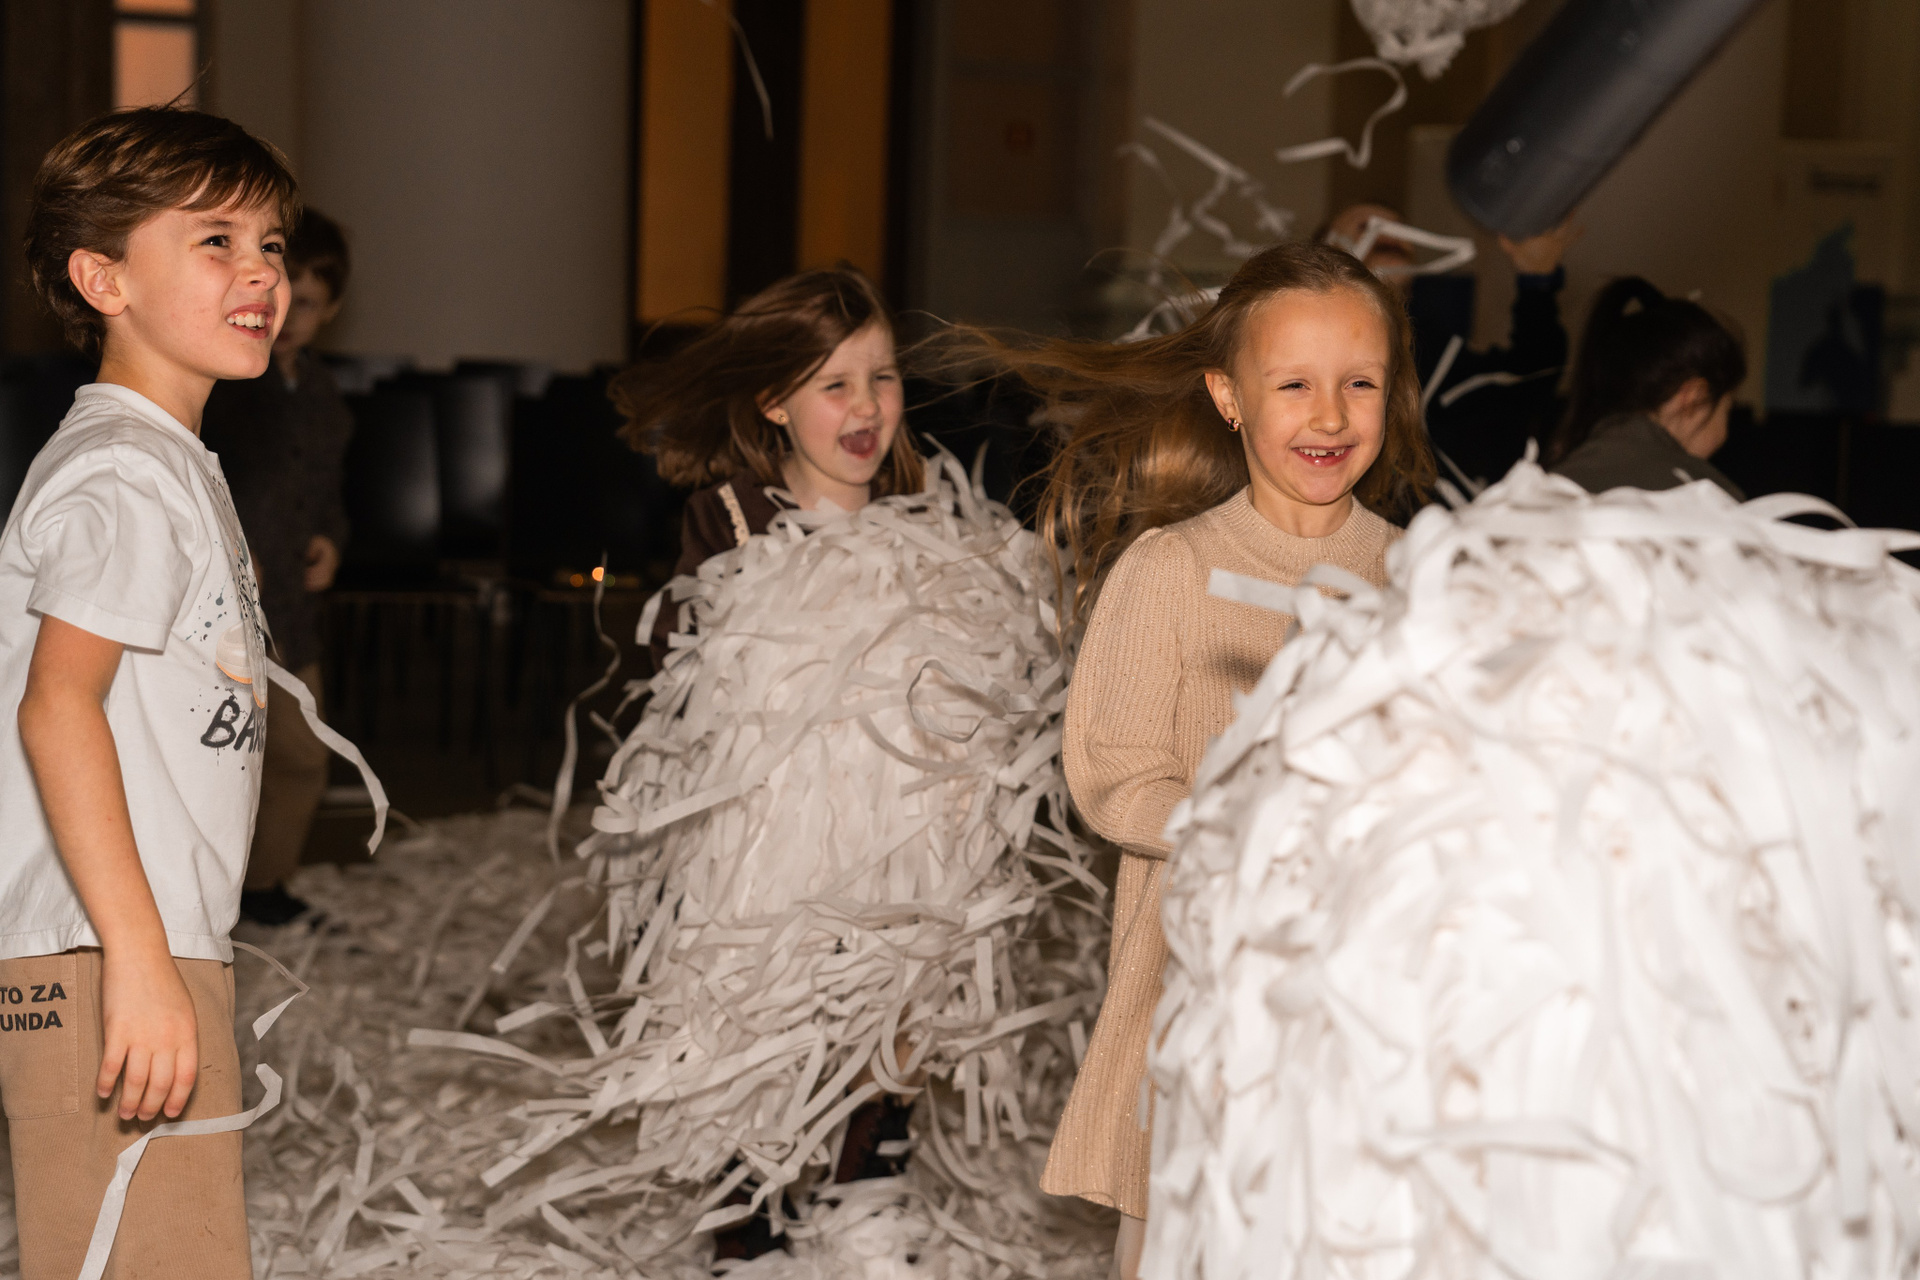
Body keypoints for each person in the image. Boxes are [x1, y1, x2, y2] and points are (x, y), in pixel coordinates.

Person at [945, 240, 1434, 1279]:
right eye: (1293, 385)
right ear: (1227, 398)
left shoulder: (1418, 574)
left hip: (1364, 972)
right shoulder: (1172, 568)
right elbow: (1114, 770)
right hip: (1202, 969)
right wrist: (1243, 828)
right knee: (1186, 1222)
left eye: (1360, 383)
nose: (1331, 415)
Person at [0, 107, 293, 1280]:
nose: (260, 271)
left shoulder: (161, 459)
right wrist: (136, 954)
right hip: (104, 946)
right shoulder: (124, 471)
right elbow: (56, 704)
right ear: (103, 278)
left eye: (271, 244)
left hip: (136, 938)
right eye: (215, 240)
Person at [618, 268, 924, 673]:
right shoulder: (728, 519)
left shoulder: (923, 517)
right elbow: (677, 656)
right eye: (836, 385)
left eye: (882, 377)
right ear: (775, 403)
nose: (868, 405)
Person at [200, 208, 353, 927]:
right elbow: (202, 477)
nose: (288, 316)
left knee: (301, 754)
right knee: (231, 756)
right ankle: (216, 892)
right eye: (281, 293)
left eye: (310, 304)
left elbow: (328, 493)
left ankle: (262, 884)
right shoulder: (228, 384)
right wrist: (234, 548)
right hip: (227, 611)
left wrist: (331, 538)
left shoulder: (323, 396)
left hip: (291, 609)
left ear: (333, 310)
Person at [1323, 201, 1579, 485]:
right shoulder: (1303, 352)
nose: (1390, 235)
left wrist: (1536, 281)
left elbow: (1532, 376)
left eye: (1399, 228)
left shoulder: (1434, 355)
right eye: (1366, 227)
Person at [1548, 276, 1747, 499]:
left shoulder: (1543, 486)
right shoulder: (1712, 501)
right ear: (1694, 397)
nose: (1725, 434)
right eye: (1726, 411)